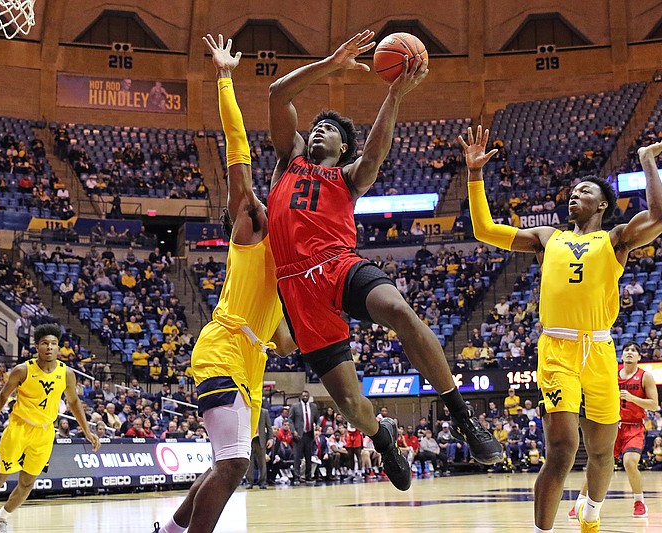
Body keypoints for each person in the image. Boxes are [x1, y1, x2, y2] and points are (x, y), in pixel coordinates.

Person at [266, 31, 501, 494]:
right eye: (316, 126)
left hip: (338, 265)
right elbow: (278, 94)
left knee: (398, 310)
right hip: (297, 288)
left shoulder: (350, 176)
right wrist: (332, 64)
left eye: (329, 129)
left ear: (343, 148)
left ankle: (460, 413)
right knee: (353, 406)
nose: (318, 130)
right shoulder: (287, 160)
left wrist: (394, 92)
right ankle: (383, 438)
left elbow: (375, 152)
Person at [461, 124, 662, 533]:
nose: (575, 193)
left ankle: (591, 510)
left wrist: (647, 162)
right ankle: (543, 530)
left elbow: (660, 216)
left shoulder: (616, 240)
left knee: (602, 452)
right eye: (573, 190)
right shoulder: (545, 237)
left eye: (585, 191)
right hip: (557, 350)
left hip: (600, 350)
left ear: (602, 206)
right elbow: (484, 230)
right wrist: (474, 174)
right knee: (561, 448)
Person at [154, 35, 296, 533]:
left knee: (226, 466)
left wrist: (291, 334)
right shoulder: (253, 224)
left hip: (250, 364)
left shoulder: (288, 259)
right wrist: (225, 78)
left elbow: (281, 341)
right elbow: (238, 148)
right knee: (234, 467)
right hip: (222, 350)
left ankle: (166, 532)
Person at [0, 324, 100, 533]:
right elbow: (2, 397)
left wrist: (87, 430)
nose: (49, 347)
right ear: (37, 346)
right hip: (19, 429)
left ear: (59, 348)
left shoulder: (67, 374)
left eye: (54, 344)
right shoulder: (23, 370)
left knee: (28, 483)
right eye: (45, 343)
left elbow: (74, 402)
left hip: (45, 433)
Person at [569, 342, 658, 521]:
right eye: (627, 350)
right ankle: (581, 501)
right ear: (622, 355)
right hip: (611, 424)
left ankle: (639, 502)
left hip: (633, 427)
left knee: (630, 463)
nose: (630, 353)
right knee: (596, 463)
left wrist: (632, 398)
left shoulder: (645, 377)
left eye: (634, 350)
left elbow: (654, 405)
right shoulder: (612, 374)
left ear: (639, 357)